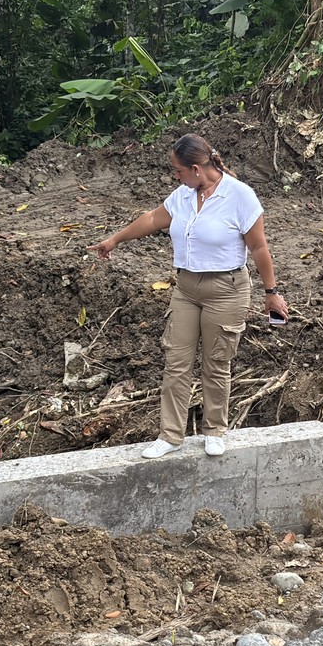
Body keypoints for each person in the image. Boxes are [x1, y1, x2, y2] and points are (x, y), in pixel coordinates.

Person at [91, 133, 289, 457]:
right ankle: (170, 435)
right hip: (186, 288)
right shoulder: (183, 195)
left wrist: (272, 292)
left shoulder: (240, 196)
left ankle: (215, 431)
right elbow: (153, 218)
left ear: (196, 169)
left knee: (216, 363)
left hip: (226, 290)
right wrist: (114, 240)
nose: (175, 176)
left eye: (178, 170)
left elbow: (258, 247)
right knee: (176, 363)